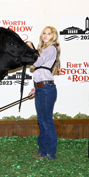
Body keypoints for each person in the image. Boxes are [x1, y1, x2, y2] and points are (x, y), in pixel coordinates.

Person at [27, 26, 61, 159]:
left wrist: (31, 49)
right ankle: (43, 150)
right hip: (42, 88)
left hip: (47, 89)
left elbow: (39, 61)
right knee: (41, 121)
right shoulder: (43, 50)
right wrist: (35, 89)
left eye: (49, 34)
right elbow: (40, 72)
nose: (45, 36)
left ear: (53, 37)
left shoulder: (51, 49)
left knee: (46, 121)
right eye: (44, 33)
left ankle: (50, 152)